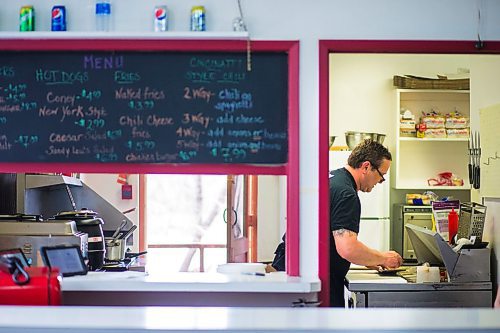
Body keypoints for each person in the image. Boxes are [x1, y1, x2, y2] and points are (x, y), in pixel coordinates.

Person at [329, 139, 403, 307]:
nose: (380, 181)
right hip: (320, 280)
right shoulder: (346, 194)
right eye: (381, 175)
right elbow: (347, 248)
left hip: (302, 271)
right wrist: (383, 258)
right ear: (366, 166)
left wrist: (371, 259)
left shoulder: (333, 177)